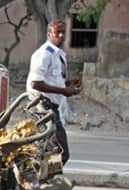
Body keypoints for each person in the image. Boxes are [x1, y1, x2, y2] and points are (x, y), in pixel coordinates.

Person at [26, 20, 79, 165]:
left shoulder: (58, 54)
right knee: (60, 151)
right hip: (43, 107)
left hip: (52, 107)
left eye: (63, 32)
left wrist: (68, 84)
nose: (61, 35)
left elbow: (51, 80)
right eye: (57, 32)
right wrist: (64, 90)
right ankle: (42, 181)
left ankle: (45, 181)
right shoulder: (44, 54)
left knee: (52, 152)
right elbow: (35, 83)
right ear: (49, 34)